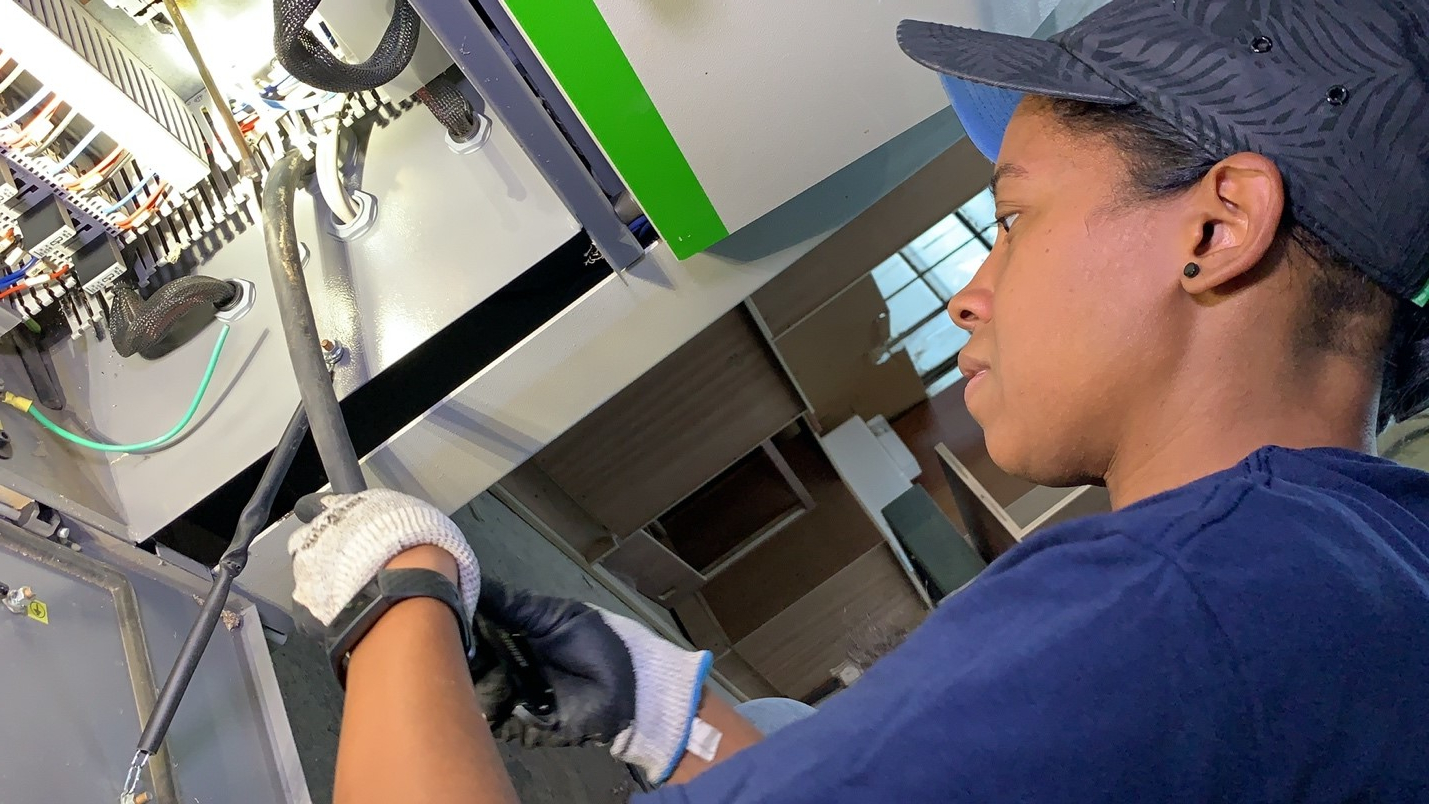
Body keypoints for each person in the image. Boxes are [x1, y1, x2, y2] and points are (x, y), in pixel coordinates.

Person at [286, 0, 1429, 800]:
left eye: (1015, 218)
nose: (970, 297)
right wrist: (669, 714)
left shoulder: (1171, 605)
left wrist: (398, 594)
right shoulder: (1352, 574)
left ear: (1218, 225)